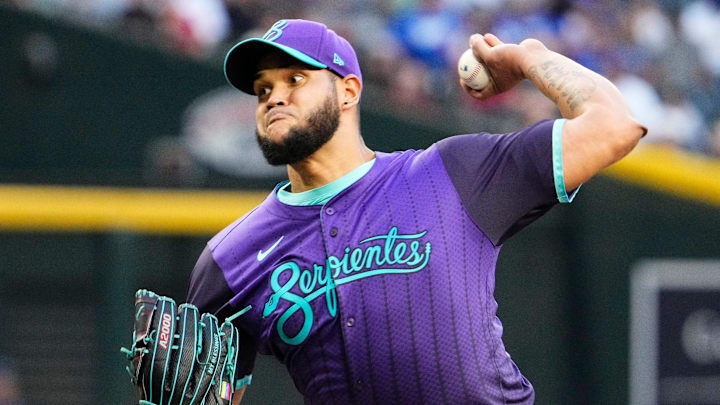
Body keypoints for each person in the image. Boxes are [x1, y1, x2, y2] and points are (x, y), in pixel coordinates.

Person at [187, 19, 646, 405]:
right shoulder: (231, 258)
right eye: (263, 88)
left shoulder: (454, 172)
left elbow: (615, 125)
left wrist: (529, 59)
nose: (273, 97)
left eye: (295, 79)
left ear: (348, 91)